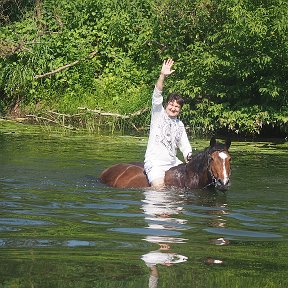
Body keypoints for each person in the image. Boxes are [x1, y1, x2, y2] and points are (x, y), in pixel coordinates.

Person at [144, 58, 192, 189]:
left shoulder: (180, 125)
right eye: (171, 104)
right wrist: (162, 75)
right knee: (159, 189)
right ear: (166, 105)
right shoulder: (158, 114)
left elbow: (185, 146)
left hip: (173, 163)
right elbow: (157, 94)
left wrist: (190, 158)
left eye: (177, 106)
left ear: (180, 110)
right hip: (155, 163)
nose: (173, 108)